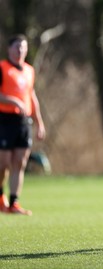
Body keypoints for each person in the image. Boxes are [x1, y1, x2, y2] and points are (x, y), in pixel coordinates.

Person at [0, 34, 46, 215]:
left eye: (23, 47)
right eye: (17, 47)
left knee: (19, 162)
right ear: (9, 49)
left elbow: (31, 96)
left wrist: (39, 122)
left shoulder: (29, 70)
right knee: (3, 164)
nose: (20, 50)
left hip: (23, 122)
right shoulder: (2, 68)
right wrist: (13, 101)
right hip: (4, 119)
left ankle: (14, 203)